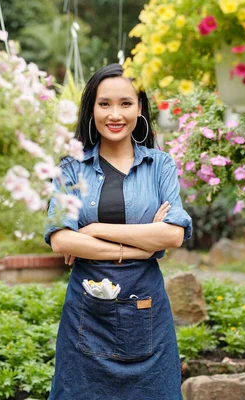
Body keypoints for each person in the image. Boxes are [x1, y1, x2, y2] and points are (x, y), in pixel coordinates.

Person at [44, 63, 192, 399]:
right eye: (104, 103)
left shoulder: (160, 165)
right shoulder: (70, 167)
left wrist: (93, 229)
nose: (115, 114)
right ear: (91, 109)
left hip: (146, 310)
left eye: (125, 103)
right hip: (86, 314)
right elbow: (60, 239)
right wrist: (139, 249)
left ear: (140, 108)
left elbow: (173, 235)